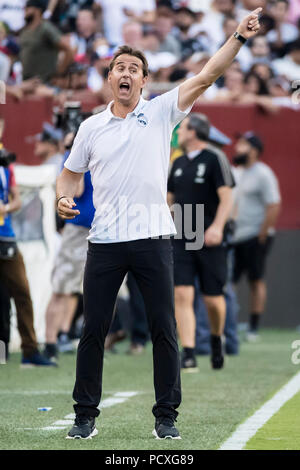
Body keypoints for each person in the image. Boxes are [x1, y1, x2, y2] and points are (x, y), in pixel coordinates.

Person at [56, 8, 262, 440]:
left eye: (135, 68)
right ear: (110, 78)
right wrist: (62, 195)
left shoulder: (162, 111)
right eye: (120, 68)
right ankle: (84, 416)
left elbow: (206, 76)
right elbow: (71, 174)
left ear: (145, 81)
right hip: (106, 241)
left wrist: (238, 37)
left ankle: (166, 416)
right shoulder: (91, 128)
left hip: (152, 238)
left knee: (164, 329)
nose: (127, 73)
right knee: (92, 329)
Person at [167, 114, 235, 372]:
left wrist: (217, 227)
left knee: (213, 298)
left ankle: (217, 339)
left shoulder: (215, 158)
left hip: (209, 237)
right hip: (182, 236)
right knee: (182, 293)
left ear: (193, 131)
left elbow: (227, 197)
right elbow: (169, 199)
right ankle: (189, 352)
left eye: (182, 129)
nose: (178, 134)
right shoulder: (178, 163)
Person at [0, 153, 55, 366]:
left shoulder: (6, 165)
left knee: (22, 293)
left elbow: (17, 200)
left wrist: (6, 207)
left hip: (7, 238)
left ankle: (30, 351)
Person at [44, 134, 95, 362]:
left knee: (76, 289)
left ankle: (63, 336)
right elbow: (77, 190)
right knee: (63, 287)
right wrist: (71, 151)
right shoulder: (78, 153)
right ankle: (50, 342)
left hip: (97, 227)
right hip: (79, 227)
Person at [232, 132, 281, 341]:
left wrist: (262, 233)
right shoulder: (236, 172)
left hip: (255, 236)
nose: (237, 148)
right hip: (235, 237)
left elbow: (274, 204)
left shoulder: (263, 173)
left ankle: (253, 326)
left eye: (243, 145)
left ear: (253, 150)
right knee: (228, 282)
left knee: (255, 280)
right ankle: (230, 324)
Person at [19, 0, 73, 83]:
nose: (25, 10)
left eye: (28, 7)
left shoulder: (46, 28)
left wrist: (59, 73)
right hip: (26, 83)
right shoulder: (24, 30)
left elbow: (68, 49)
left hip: (44, 82)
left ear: (38, 10)